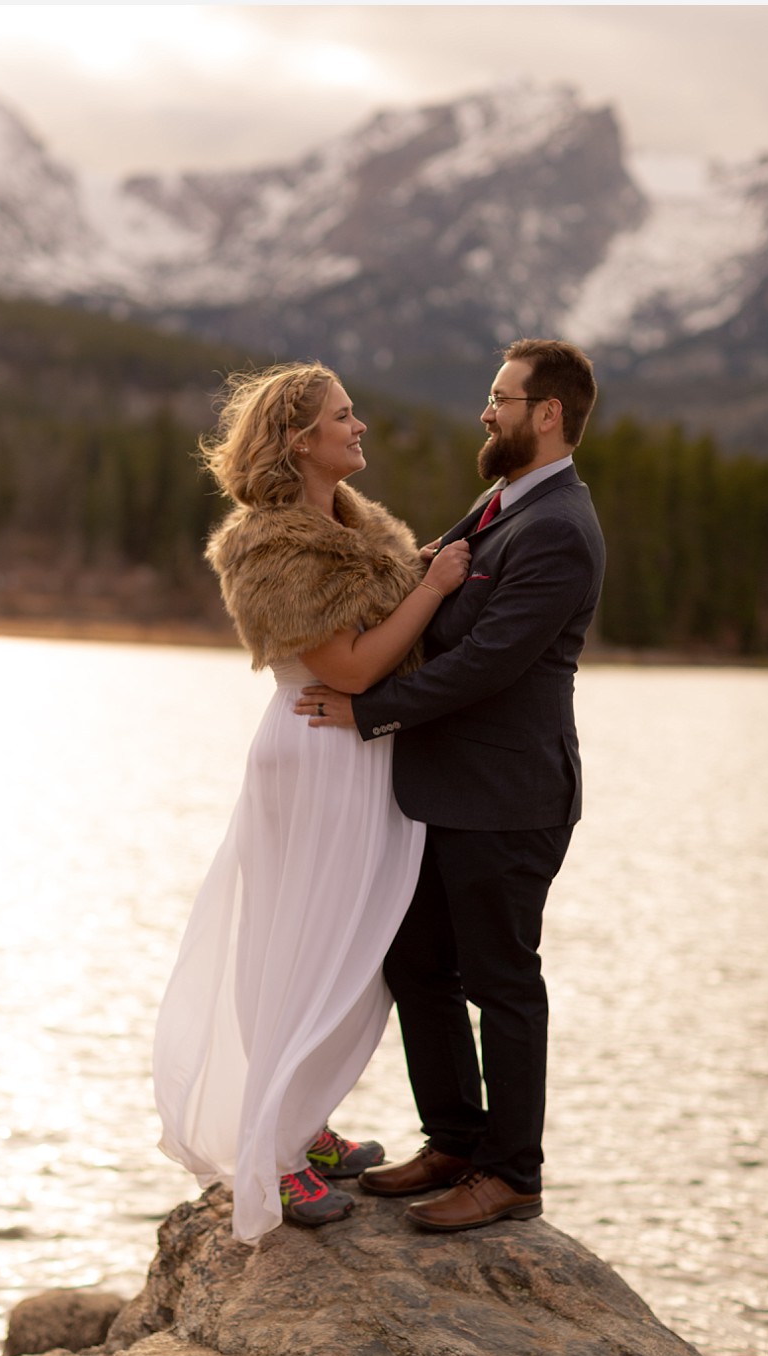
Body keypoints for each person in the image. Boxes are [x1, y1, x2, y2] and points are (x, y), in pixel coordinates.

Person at [152, 361, 471, 1243]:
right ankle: (275, 1158)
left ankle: (304, 1121)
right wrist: (435, 586)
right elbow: (350, 670)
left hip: (359, 753)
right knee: (302, 944)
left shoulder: (357, 527)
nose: (360, 425)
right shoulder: (274, 544)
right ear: (300, 441)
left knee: (351, 948)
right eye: (343, 415)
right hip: (317, 751)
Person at [294, 339, 606, 1232]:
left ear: (547, 413)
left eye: (503, 397)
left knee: (502, 982)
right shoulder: (505, 501)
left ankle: (512, 1174)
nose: (488, 409)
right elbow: (426, 591)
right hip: (446, 794)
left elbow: (484, 666)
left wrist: (369, 710)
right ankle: (456, 1141)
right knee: (417, 961)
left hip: (510, 800)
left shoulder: (560, 529)